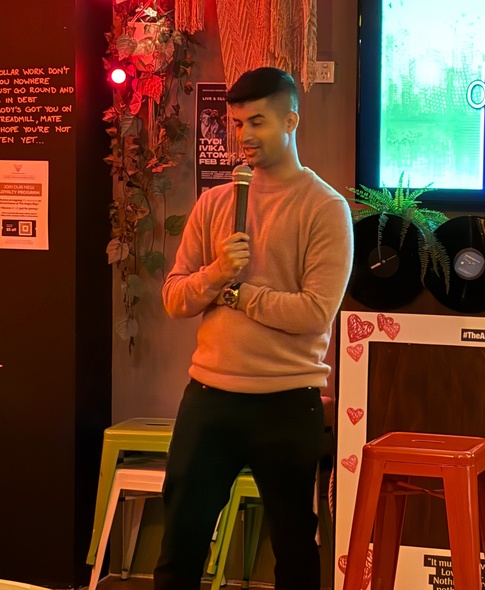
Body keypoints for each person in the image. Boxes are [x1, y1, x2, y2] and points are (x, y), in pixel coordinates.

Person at [154, 67, 354, 590]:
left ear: (291, 120)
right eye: (237, 123)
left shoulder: (325, 208)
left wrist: (239, 294)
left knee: (293, 546)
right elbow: (175, 299)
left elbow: (314, 312)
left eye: (257, 123)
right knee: (180, 542)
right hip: (209, 397)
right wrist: (218, 273)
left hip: (288, 402)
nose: (243, 136)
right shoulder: (215, 203)